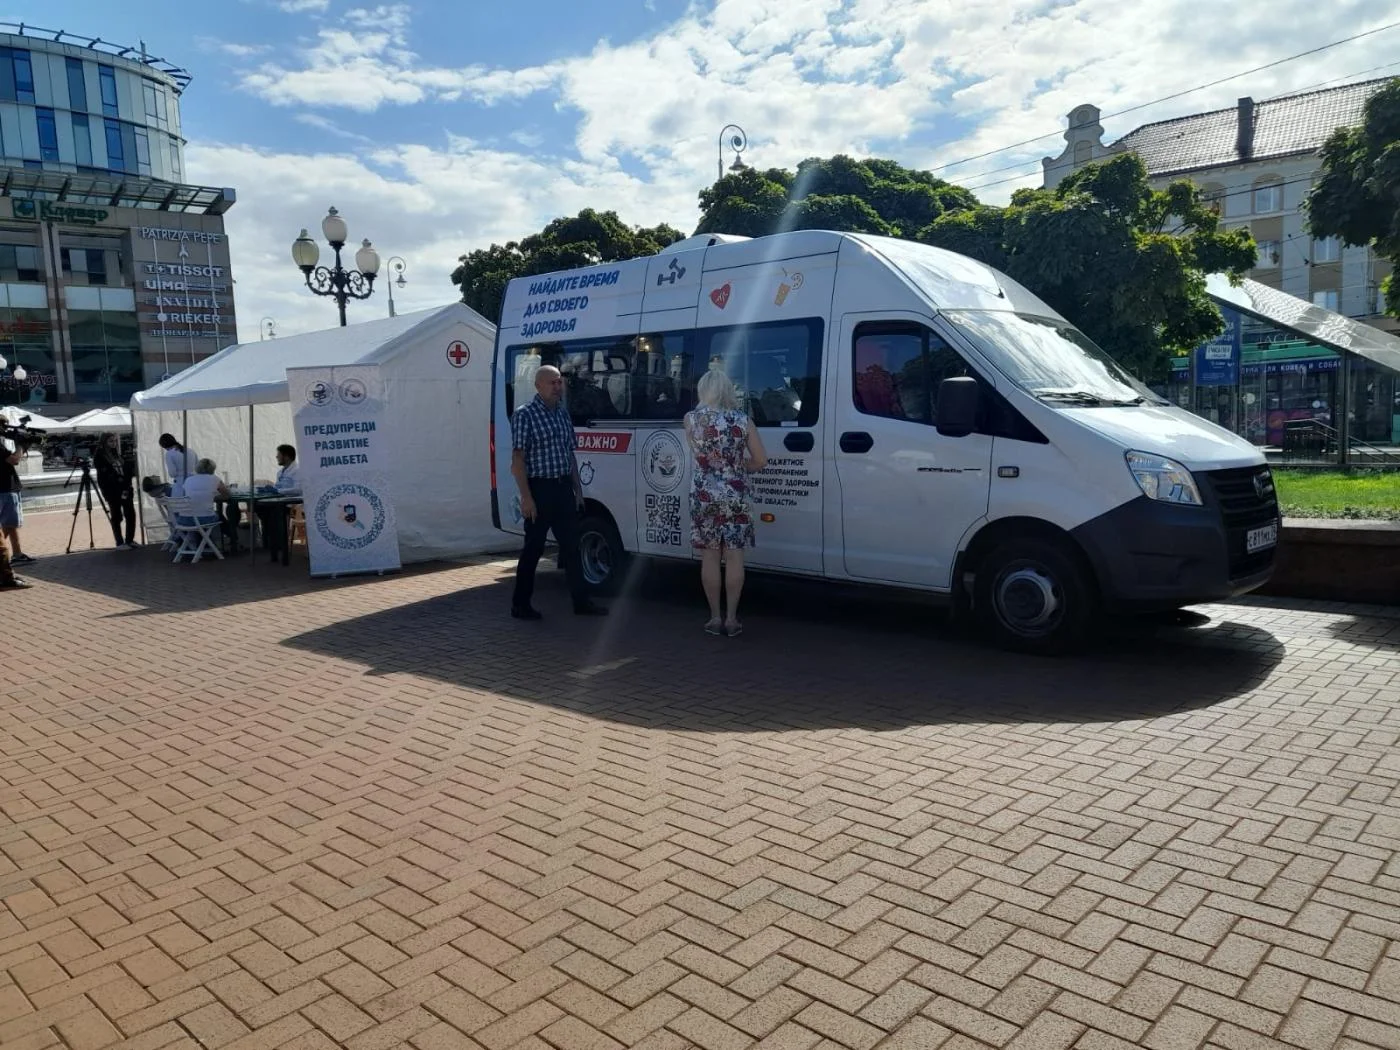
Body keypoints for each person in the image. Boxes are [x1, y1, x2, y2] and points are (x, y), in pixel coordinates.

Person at [509, 364, 606, 619]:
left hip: (562, 488)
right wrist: (526, 497)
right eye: (551, 382)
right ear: (538, 386)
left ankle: (581, 602)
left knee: (572, 546)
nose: (557, 387)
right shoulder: (525, 415)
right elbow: (518, 459)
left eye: (559, 382)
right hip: (539, 488)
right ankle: (520, 604)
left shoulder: (562, 413)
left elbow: (569, 454)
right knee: (533, 548)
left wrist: (578, 490)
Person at [683, 369, 767, 637]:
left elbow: (700, 456)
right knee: (734, 554)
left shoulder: (691, 419)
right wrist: (738, 467)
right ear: (727, 390)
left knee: (709, 554)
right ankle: (731, 619)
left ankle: (714, 617)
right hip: (735, 494)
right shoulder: (742, 420)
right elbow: (760, 460)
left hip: (703, 494)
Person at [93, 432, 137, 550]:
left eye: (115, 441)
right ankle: (119, 542)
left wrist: (128, 477)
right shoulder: (100, 456)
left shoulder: (117, 454)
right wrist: (118, 479)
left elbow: (125, 469)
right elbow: (105, 475)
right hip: (112, 491)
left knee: (130, 514)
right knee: (117, 516)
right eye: (111, 441)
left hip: (125, 489)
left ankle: (129, 540)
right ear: (104, 442)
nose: (114, 443)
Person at [178, 458, 232, 542]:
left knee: (204, 515)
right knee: (218, 515)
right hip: (204, 519)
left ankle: (205, 543)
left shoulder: (188, 480)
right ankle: (230, 537)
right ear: (213, 469)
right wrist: (213, 497)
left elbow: (186, 496)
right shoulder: (215, 479)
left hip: (184, 519)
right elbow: (227, 495)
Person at [0, 432, 31, 566]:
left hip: (8, 487)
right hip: (5, 488)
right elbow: (14, 460)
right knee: (8, 525)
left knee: (11, 524)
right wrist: (22, 446)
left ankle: (17, 554)